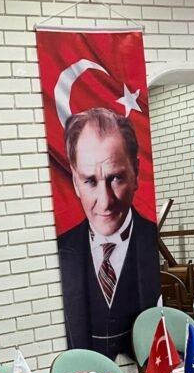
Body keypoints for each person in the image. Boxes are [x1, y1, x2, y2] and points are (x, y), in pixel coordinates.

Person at [57, 107, 160, 359]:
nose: (105, 202)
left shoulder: (152, 243)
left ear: (136, 173)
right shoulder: (60, 253)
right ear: (75, 182)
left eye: (116, 178)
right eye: (90, 181)